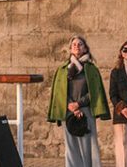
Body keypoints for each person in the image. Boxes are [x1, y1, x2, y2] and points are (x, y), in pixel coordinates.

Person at [47, 35, 110, 167]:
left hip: (86, 110)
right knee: (71, 147)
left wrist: (78, 104)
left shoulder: (91, 69)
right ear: (70, 49)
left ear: (85, 48)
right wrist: (71, 105)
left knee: (88, 146)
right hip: (68, 110)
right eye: (74, 44)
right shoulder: (63, 70)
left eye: (80, 44)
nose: (77, 46)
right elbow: (60, 91)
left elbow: (94, 92)